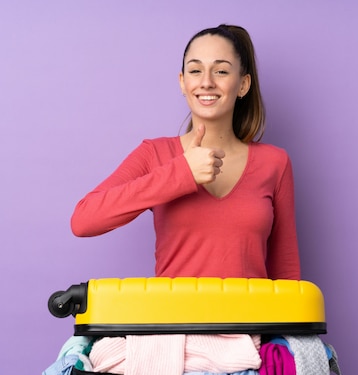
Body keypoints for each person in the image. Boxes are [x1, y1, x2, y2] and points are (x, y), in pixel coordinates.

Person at [71, 24, 300, 281]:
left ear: (243, 85)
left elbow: (286, 274)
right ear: (183, 82)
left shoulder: (275, 163)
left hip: (249, 321)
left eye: (221, 71)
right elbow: (83, 221)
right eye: (195, 70)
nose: (206, 82)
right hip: (174, 320)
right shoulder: (154, 154)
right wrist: (181, 173)